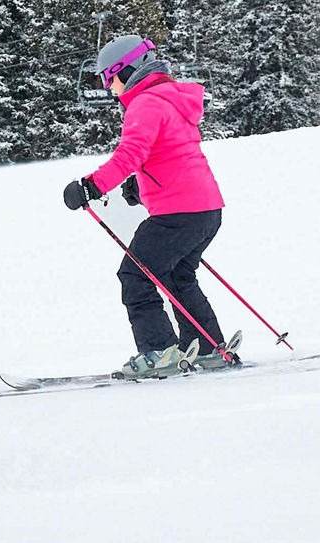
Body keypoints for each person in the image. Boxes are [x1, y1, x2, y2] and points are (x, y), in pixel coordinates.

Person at [61, 35, 234, 380]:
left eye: (111, 77)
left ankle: (159, 352)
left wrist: (90, 186)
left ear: (129, 69)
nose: (109, 87)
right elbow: (167, 151)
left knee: (135, 274)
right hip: (206, 209)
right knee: (176, 275)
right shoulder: (168, 98)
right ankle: (208, 347)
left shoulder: (145, 103)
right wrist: (137, 182)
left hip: (178, 213)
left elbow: (130, 154)